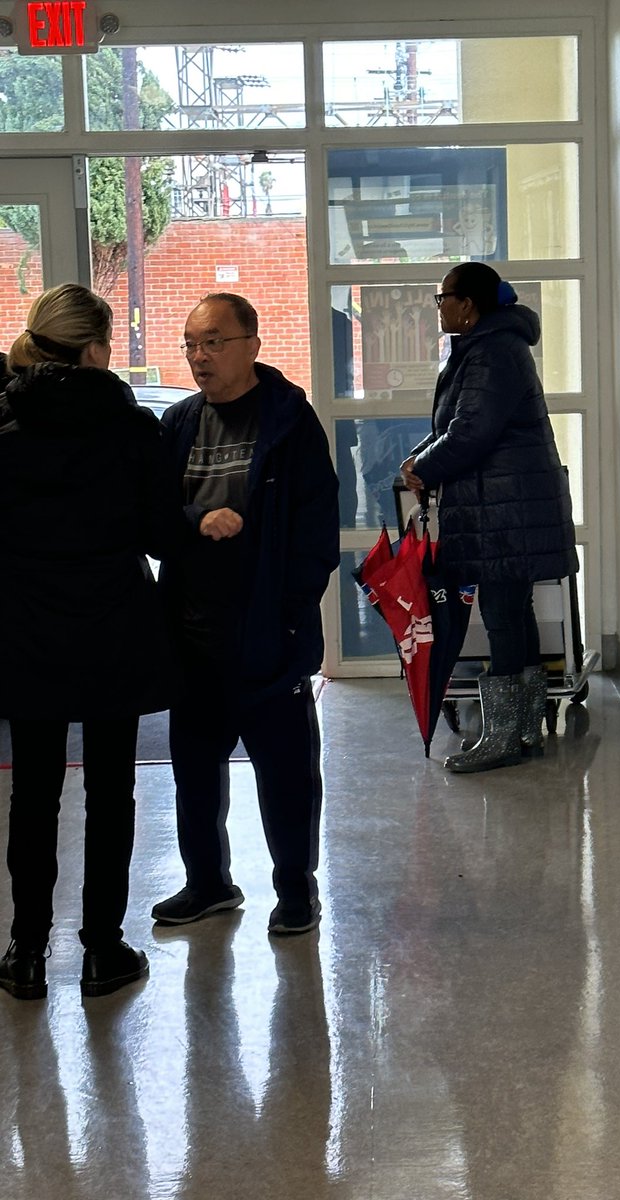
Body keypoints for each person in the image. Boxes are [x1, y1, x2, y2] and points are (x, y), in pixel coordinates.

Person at [0, 283, 175, 1000]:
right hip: (113, 627)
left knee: (34, 794)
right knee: (112, 791)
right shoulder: (133, 430)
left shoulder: (3, 429)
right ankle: (103, 949)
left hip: (28, 628)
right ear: (98, 348)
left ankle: (27, 952)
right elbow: (162, 536)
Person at [152, 293, 339, 935]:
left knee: (286, 778)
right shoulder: (177, 424)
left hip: (269, 636)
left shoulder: (289, 421)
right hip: (194, 636)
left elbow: (318, 529)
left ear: (251, 346)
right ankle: (207, 884)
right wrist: (193, 519)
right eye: (190, 345)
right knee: (195, 777)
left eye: (213, 343)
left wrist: (287, 616)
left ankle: (296, 893)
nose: (199, 357)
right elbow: (151, 521)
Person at [400, 262, 577, 774]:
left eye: (443, 299)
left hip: (505, 508)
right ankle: (524, 730)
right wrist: (422, 457)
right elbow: (461, 424)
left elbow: (473, 431)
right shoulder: (493, 345)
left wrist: (425, 468)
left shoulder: (492, 351)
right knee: (513, 612)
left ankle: (503, 738)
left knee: (502, 614)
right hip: (507, 503)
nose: (440, 308)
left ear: (468, 305)